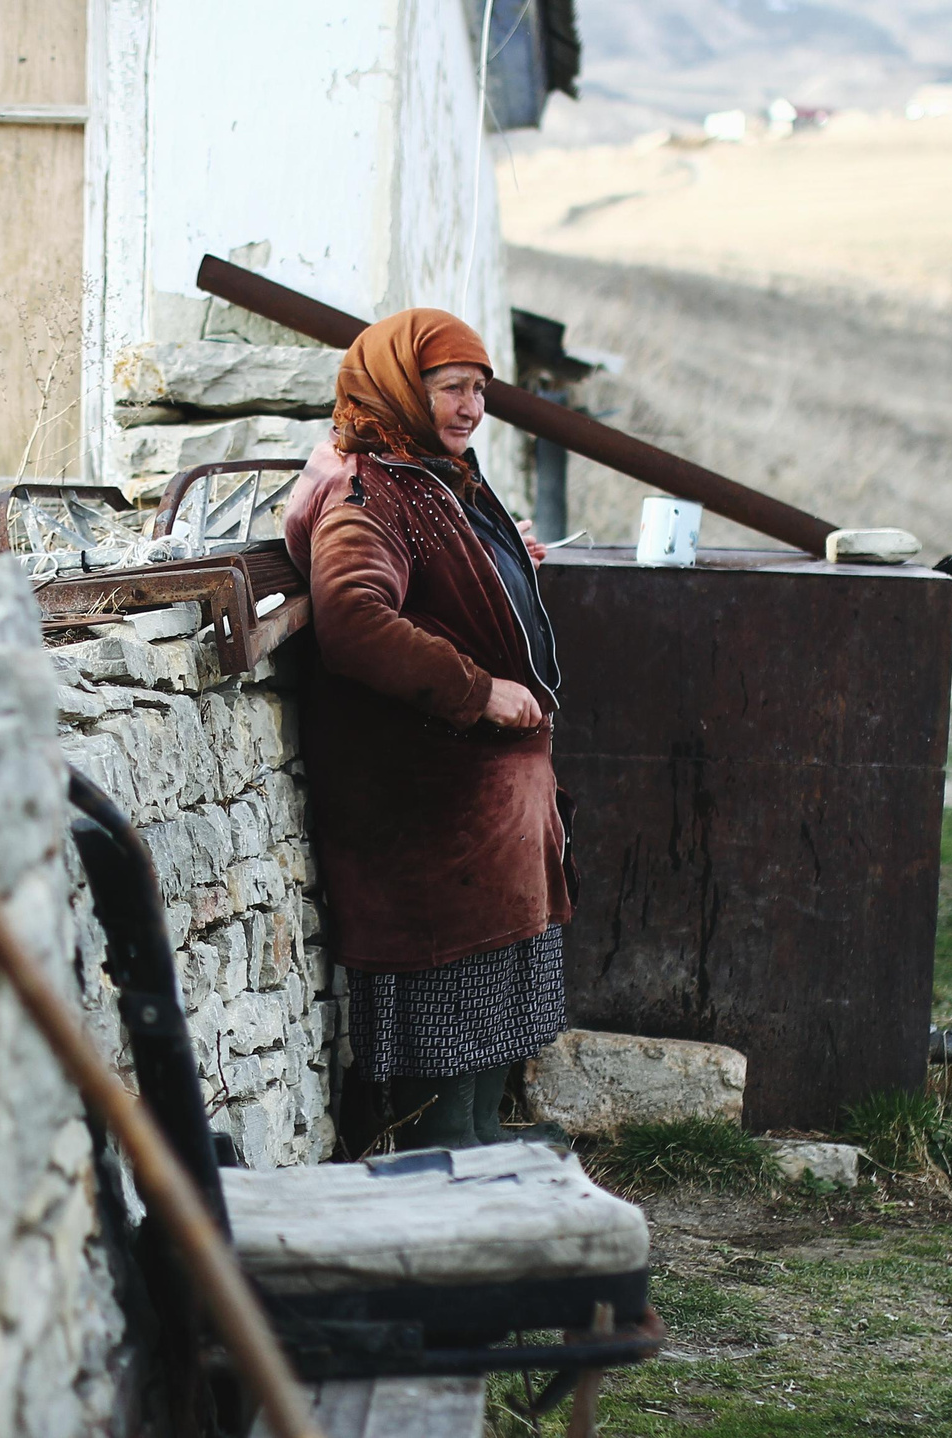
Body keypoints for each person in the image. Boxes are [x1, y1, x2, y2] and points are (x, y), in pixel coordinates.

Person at [281, 308, 571, 1152]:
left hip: (480, 824)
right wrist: (477, 691)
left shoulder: (429, 473)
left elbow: (434, 572)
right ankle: (450, 1190)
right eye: (452, 388)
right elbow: (354, 619)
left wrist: (499, 553)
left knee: (486, 1020)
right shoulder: (368, 491)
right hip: (433, 820)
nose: (471, 407)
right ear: (403, 388)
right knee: (449, 1023)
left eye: (480, 390)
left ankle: (479, 1160)